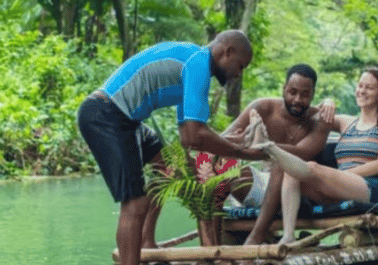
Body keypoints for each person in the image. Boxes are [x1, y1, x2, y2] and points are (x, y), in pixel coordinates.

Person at [77, 30, 266, 265]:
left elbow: (187, 137)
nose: (238, 74)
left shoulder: (194, 64)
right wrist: (244, 152)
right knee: (135, 203)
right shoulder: (198, 64)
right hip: (107, 115)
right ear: (227, 52)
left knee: (169, 164)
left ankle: (147, 241)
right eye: (241, 66)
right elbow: (197, 135)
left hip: (126, 119)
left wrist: (230, 145)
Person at [251, 66, 378, 244]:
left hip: (369, 188)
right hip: (337, 187)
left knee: (313, 168)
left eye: (369, 88)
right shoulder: (346, 122)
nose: (362, 91)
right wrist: (327, 102)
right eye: (360, 86)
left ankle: (269, 147)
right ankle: (288, 237)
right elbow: (311, 115)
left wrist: (342, 175)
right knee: (290, 171)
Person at [218, 63, 335, 245]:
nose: (297, 99)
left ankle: (256, 237)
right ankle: (213, 238)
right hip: (264, 188)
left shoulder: (319, 120)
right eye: (292, 92)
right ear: (284, 89)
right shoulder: (263, 108)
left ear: (313, 94)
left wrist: (261, 144)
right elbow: (223, 141)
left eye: (305, 94)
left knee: (283, 162)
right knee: (227, 170)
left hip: (296, 194)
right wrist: (243, 140)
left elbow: (302, 152)